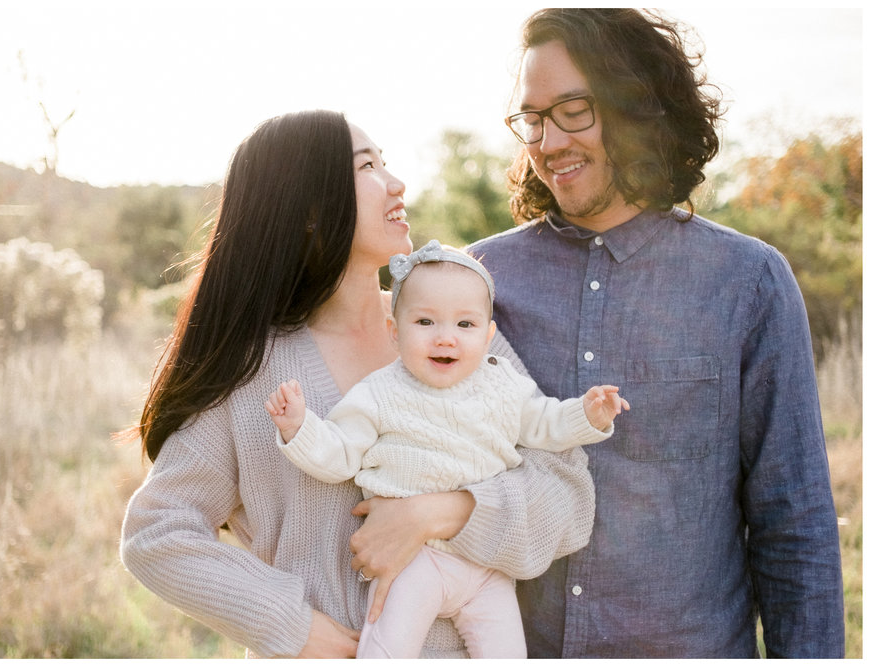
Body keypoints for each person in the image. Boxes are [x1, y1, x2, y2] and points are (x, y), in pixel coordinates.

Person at [119, 110, 597, 658]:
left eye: (386, 162)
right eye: (367, 166)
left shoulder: (451, 331)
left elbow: (567, 493)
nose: (396, 183)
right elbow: (157, 533)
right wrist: (293, 626)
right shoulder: (255, 373)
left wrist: (442, 512)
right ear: (309, 209)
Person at [468, 8, 845, 658]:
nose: (548, 141)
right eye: (532, 117)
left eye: (573, 110)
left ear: (637, 106)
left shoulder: (747, 283)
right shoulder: (477, 282)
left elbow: (795, 527)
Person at [264, 240, 627, 658]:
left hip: (486, 562)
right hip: (414, 559)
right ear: (394, 331)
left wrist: (590, 414)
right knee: (387, 649)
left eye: (465, 325)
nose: (445, 339)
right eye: (425, 322)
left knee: (508, 655)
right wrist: (300, 428)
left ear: (488, 335)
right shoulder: (379, 394)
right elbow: (341, 453)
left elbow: (545, 423)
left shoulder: (503, 383)